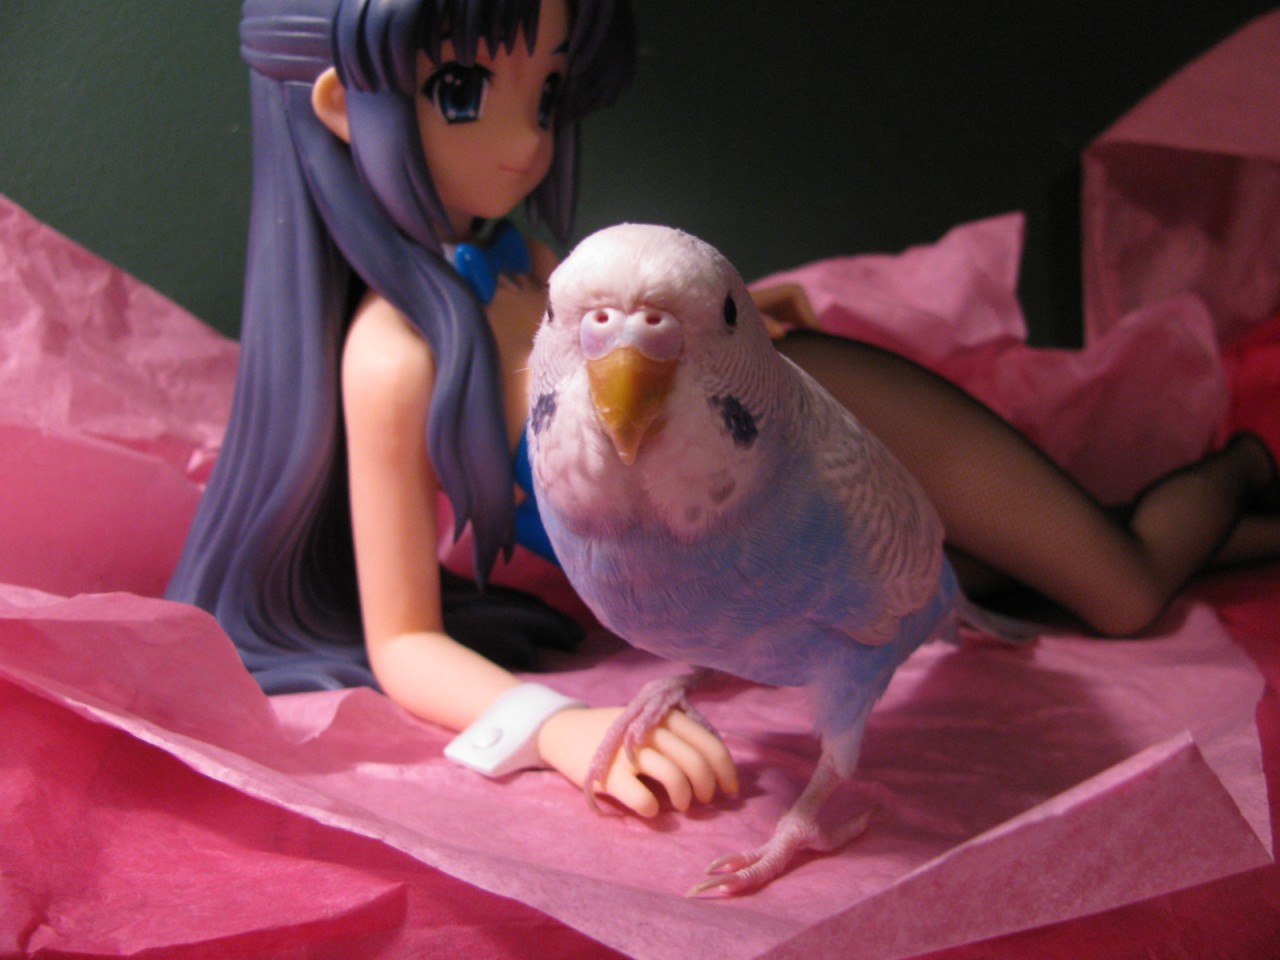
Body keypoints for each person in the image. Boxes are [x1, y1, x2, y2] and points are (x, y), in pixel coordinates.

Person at [169, 0, 1280, 818]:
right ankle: (1242, 515)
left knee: (1118, 590)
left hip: (831, 428)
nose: (528, 140)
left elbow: (657, 304)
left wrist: (743, 315)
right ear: (338, 106)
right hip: (769, 546)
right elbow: (402, 638)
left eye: (546, 93)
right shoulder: (392, 354)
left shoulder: (519, 258)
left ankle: (1239, 462)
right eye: (463, 91)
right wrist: (554, 728)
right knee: (1006, 587)